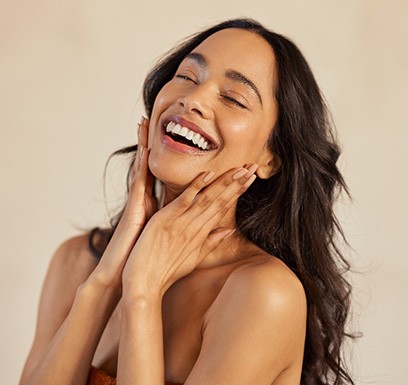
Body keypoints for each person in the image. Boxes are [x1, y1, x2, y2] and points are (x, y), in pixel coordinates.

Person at [19, 18, 354, 385]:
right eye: (187, 76)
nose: (192, 100)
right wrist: (104, 284)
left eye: (233, 98)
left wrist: (143, 292)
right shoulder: (77, 262)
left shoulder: (263, 294)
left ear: (271, 158)